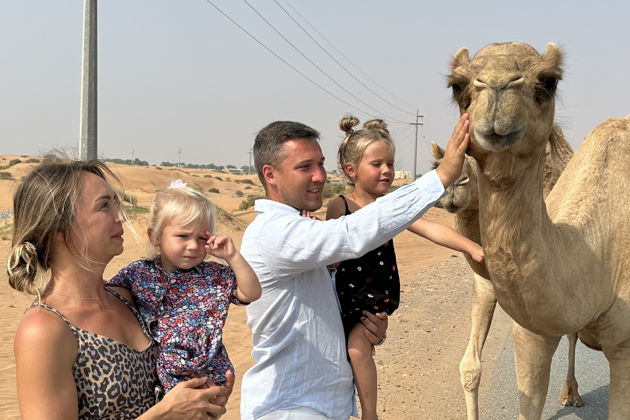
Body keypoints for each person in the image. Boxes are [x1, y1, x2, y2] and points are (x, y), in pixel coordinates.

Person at [239, 113, 470, 420]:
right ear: (270, 174)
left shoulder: (298, 227)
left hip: (318, 404)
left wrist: (371, 326)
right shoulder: (274, 232)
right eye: (304, 167)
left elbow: (323, 303)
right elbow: (352, 234)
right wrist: (441, 176)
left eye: (320, 164)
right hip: (292, 407)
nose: (320, 176)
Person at [8, 160, 232, 420]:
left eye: (116, 204)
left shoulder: (129, 297)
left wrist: (202, 397)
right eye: (104, 206)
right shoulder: (44, 329)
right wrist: (165, 414)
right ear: (59, 228)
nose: (120, 216)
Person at [326, 116, 484, 420]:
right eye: (377, 164)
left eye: (390, 163)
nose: (387, 170)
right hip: (344, 296)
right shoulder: (340, 206)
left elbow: (431, 229)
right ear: (351, 170)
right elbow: (331, 253)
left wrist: (472, 247)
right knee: (344, 356)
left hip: (370, 298)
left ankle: (369, 414)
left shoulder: (392, 206)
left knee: (358, 349)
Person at [108, 180, 261, 394]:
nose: (193, 246)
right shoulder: (138, 273)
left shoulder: (213, 275)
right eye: (183, 236)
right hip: (155, 378)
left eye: (201, 238)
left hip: (207, 374)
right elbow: (108, 296)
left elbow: (251, 292)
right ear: (155, 236)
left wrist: (232, 257)